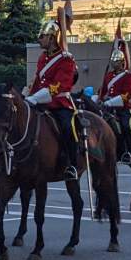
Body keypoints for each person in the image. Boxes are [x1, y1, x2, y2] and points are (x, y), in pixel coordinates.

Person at [25, 19, 79, 179]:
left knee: (67, 127)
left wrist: (35, 98)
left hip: (59, 103)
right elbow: (38, 81)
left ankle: (72, 164)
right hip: (41, 102)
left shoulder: (66, 59)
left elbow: (58, 87)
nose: (39, 39)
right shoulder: (43, 58)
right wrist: (28, 96)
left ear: (52, 38)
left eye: (43, 36)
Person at [97, 44, 131, 142]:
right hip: (108, 108)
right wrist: (98, 98)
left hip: (123, 108)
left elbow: (127, 95)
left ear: (122, 62)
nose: (114, 63)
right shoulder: (109, 75)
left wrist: (110, 102)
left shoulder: (128, 76)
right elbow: (103, 91)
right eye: (113, 60)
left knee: (126, 127)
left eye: (117, 61)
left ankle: (129, 152)